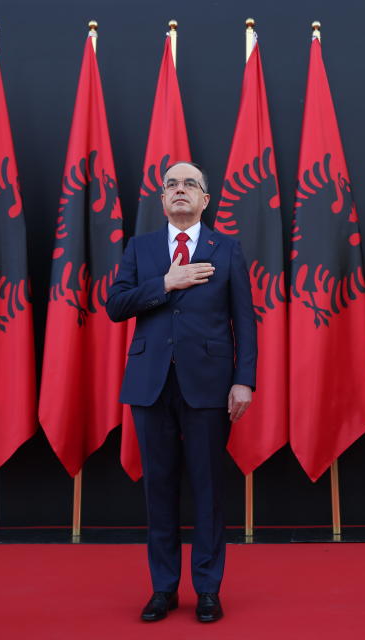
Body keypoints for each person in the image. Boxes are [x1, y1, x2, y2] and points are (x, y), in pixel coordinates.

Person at [106, 161, 257, 624]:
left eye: (191, 184)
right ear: (163, 199)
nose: (180, 190)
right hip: (151, 384)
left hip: (210, 385)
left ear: (205, 200)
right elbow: (115, 305)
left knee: (209, 490)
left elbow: (245, 323)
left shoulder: (226, 249)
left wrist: (243, 380)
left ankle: (207, 589)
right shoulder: (141, 247)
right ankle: (164, 588)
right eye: (171, 184)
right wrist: (165, 283)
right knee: (160, 490)